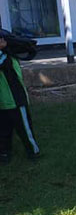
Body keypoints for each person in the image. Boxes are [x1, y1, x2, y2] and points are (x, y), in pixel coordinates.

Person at [0, 36, 40, 164]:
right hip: (2, 103)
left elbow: (3, 63)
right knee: (4, 131)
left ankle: (32, 151)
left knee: (24, 129)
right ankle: (4, 153)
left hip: (16, 101)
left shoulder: (8, 57)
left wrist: (4, 47)